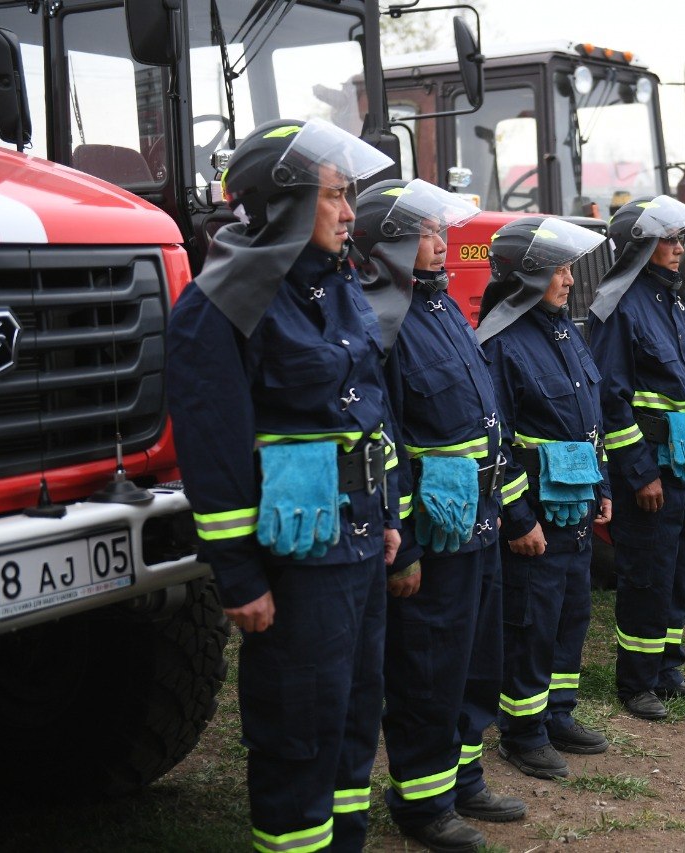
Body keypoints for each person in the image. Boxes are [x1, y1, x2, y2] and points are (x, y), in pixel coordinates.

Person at [165, 118, 399, 853]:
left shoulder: (338, 287)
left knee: (357, 712)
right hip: (298, 561)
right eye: (334, 196)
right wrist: (238, 577)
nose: (350, 212)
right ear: (287, 202)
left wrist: (386, 510)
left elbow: (368, 409)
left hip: (358, 542)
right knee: (300, 725)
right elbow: (216, 454)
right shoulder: (218, 307)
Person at [349, 178, 527, 853]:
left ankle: (464, 775)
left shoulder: (443, 308)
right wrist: (408, 549)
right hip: (432, 530)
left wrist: (509, 510)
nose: (438, 242)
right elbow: (386, 441)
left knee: (475, 662)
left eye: (437, 230)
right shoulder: (381, 323)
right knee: (427, 667)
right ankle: (423, 801)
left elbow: (489, 419)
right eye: (423, 232)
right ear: (390, 241)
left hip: (477, 523)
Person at [474, 216, 612, 779]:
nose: (569, 280)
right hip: (536, 517)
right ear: (525, 276)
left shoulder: (563, 331)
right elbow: (497, 441)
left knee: (571, 614)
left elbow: (588, 421)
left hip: (574, 507)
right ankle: (524, 732)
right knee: (532, 622)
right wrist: (518, 517)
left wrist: (600, 486)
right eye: (557, 270)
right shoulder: (500, 344)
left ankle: (558, 714)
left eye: (568, 268)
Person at [586, 194, 685, 721]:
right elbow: (611, 401)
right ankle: (637, 682)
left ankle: (668, 667)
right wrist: (640, 473)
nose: (678, 248)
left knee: (679, 570)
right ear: (640, 245)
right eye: (667, 239)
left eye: (680, 238)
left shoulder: (674, 301)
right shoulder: (619, 307)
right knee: (646, 574)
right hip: (651, 470)